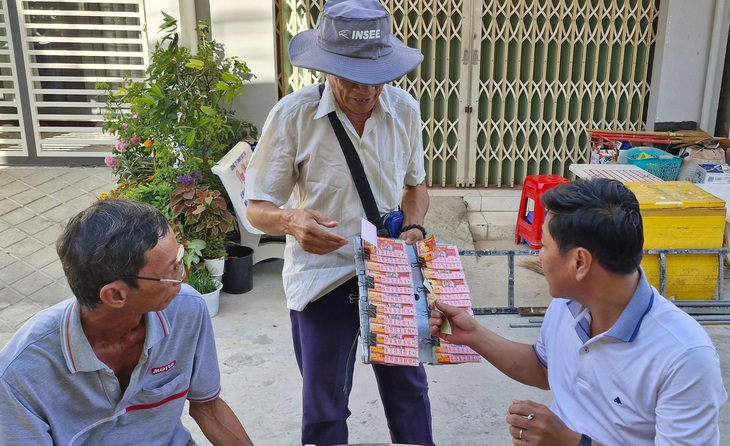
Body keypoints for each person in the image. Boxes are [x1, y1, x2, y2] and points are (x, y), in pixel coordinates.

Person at [244, 0, 433, 444]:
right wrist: (290, 221)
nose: (365, 90)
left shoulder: (405, 109)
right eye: (350, 77)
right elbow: (256, 207)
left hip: (388, 271)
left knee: (409, 393)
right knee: (325, 406)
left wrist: (415, 225)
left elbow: (416, 187)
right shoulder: (292, 115)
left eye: (376, 76)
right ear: (325, 69)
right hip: (322, 278)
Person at [429, 178, 727, 445]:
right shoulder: (568, 303)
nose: (537, 255)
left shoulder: (685, 356)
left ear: (579, 263)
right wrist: (474, 335)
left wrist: (572, 443)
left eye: (543, 246)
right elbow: (546, 369)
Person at [0, 199, 254, 445]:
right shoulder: (19, 373)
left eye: (179, 262)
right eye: (171, 271)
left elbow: (207, 407)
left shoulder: (186, 310)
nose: (183, 276)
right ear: (115, 295)